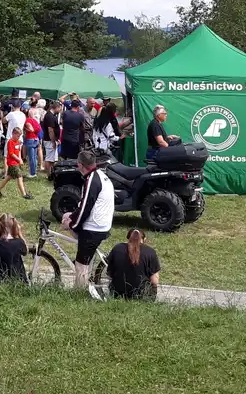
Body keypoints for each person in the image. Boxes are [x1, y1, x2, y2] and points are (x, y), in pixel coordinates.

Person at [62, 150, 114, 291]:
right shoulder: (100, 175)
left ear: (80, 165)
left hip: (94, 228)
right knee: (66, 216)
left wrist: (72, 224)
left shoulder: (91, 180)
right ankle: (86, 256)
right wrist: (71, 216)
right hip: (103, 223)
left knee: (80, 265)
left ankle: (79, 291)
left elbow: (85, 208)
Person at [107, 229, 162, 300]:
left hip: (117, 294)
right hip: (142, 296)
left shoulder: (117, 248)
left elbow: (110, 273)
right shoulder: (150, 252)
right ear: (144, 239)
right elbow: (155, 281)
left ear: (128, 238)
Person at [0, 125, 32, 200]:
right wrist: (18, 160)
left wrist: (20, 159)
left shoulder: (18, 142)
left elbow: (18, 152)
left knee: (9, 177)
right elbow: (11, 154)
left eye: (19, 136)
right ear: (13, 134)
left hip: (16, 162)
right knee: (20, 177)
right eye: (17, 136)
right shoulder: (10, 142)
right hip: (12, 163)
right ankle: (24, 194)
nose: (18, 137)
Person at [0, 213, 28, 283]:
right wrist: (20, 235)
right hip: (18, 279)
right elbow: (25, 251)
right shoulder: (19, 242)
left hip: (0, 280)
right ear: (15, 226)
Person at [43, 100, 61, 176]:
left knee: (52, 159)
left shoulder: (52, 115)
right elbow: (50, 130)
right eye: (60, 108)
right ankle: (49, 175)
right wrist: (53, 141)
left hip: (52, 140)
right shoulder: (50, 116)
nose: (60, 110)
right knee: (49, 159)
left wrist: (57, 140)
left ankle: (51, 173)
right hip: (49, 140)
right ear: (56, 107)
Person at [23, 109, 42, 178]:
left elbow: (31, 129)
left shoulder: (27, 120)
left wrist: (26, 129)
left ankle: (32, 173)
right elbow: (39, 129)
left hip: (30, 139)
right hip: (36, 139)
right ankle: (34, 171)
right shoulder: (35, 121)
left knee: (31, 158)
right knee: (34, 157)